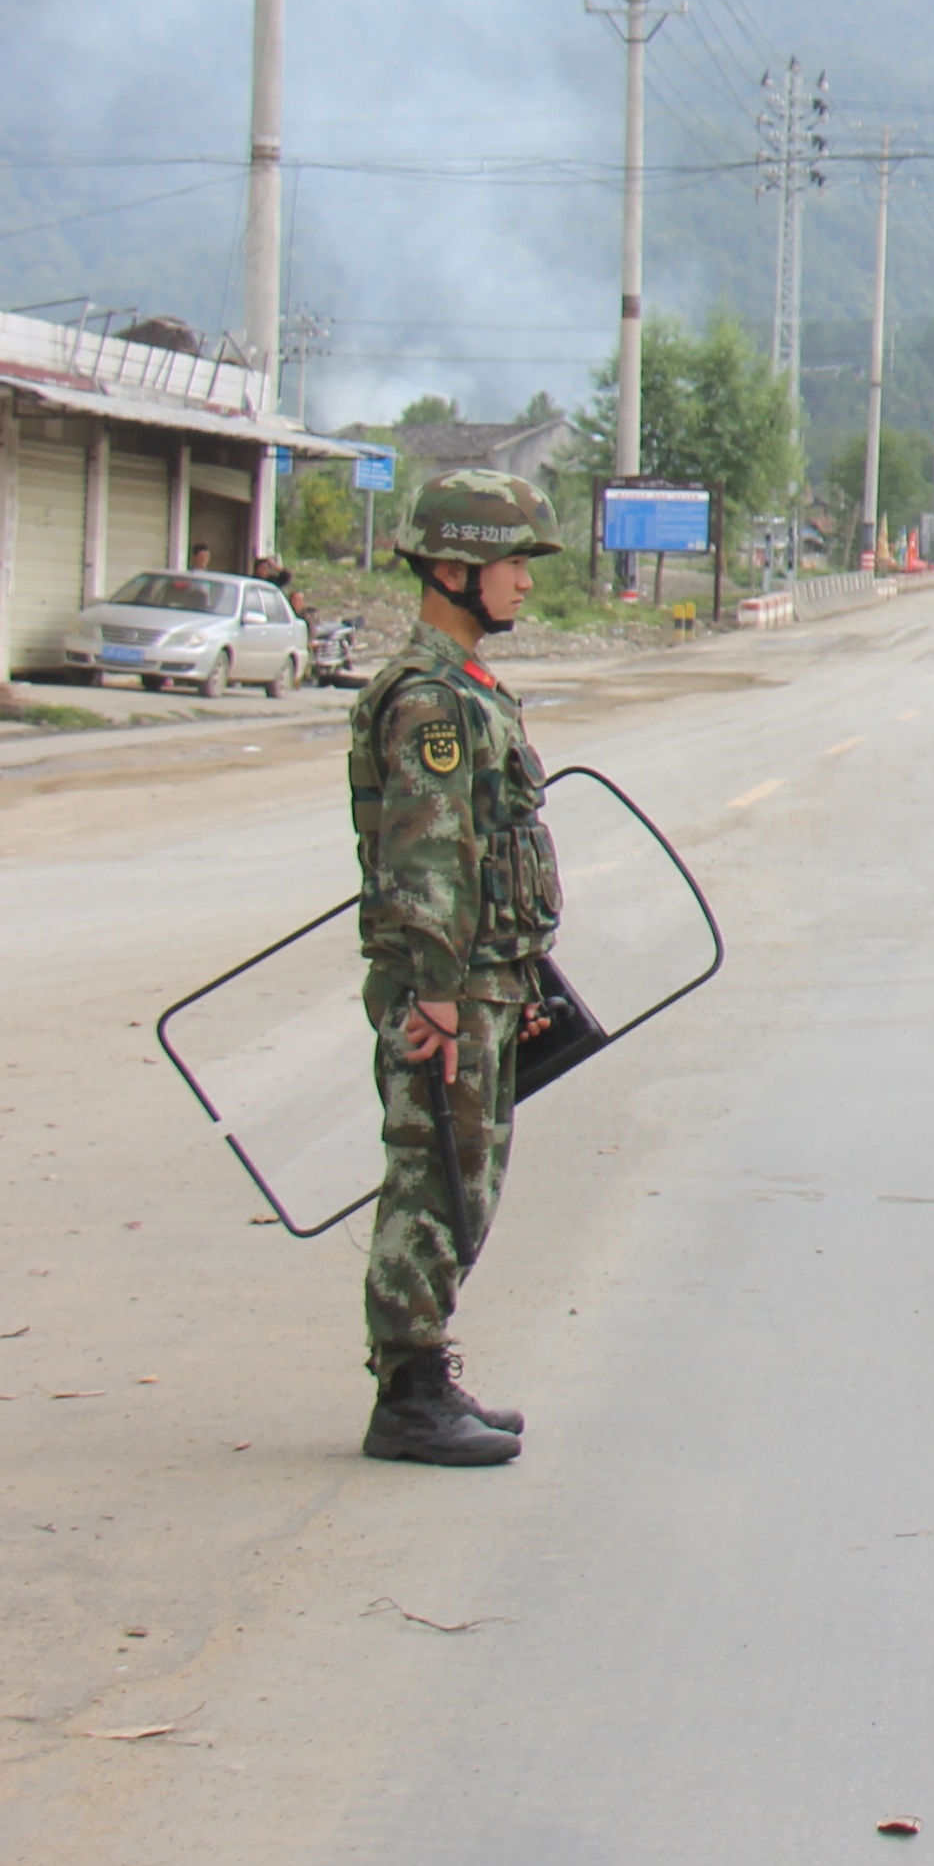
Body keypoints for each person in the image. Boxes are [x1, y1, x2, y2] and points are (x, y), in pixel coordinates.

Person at [344, 469, 571, 1466]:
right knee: (433, 1179)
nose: (524, 580)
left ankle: (428, 1372)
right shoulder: (431, 702)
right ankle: (407, 1395)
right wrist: (436, 993)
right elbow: (431, 853)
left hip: (484, 981)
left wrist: (513, 983)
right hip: (449, 989)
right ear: (453, 567)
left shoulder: (469, 687)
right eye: (510, 560)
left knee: (465, 1180)